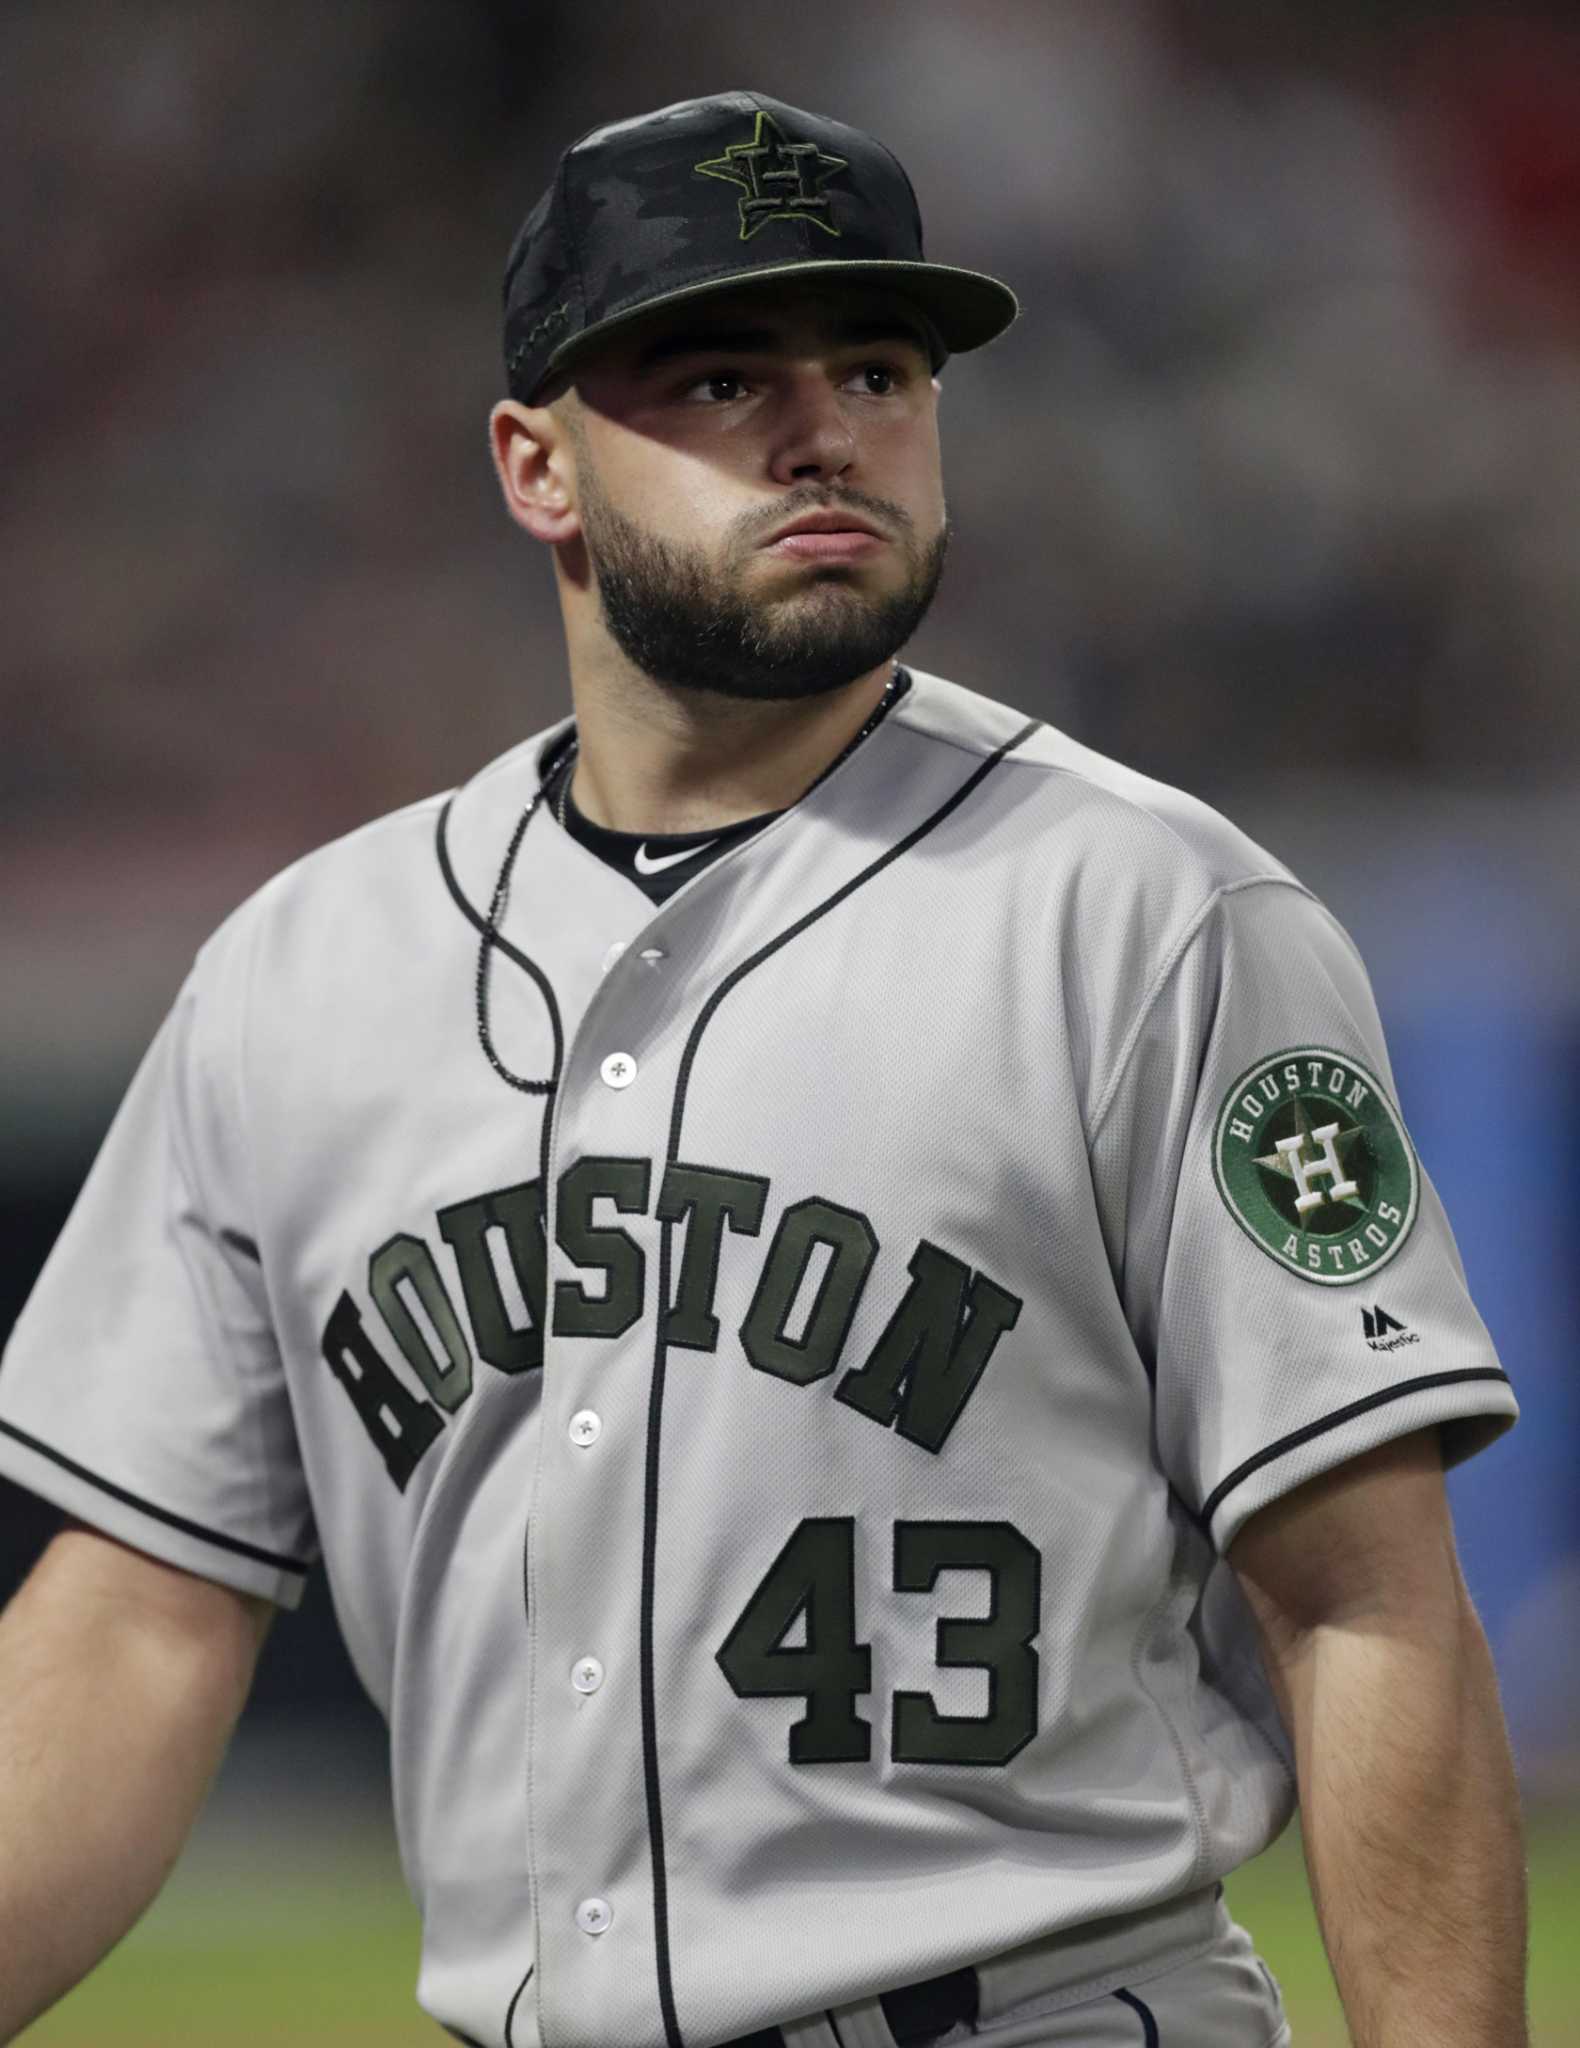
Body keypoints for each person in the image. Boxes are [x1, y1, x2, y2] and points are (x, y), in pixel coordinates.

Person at [0, 89, 1528, 2048]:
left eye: (880, 369)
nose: (827, 431)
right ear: (535, 467)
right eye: (721, 375)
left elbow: (1364, 1604)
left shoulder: (1147, 913)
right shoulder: (301, 977)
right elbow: (134, 1622)